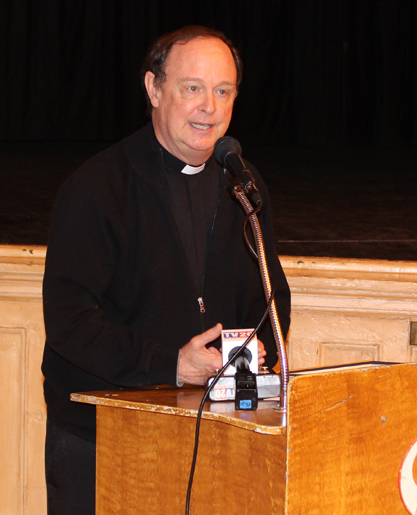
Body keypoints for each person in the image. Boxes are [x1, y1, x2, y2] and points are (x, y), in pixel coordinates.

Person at [41, 25, 291, 515]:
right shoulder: (97, 187)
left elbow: (270, 296)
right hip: (105, 439)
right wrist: (170, 365)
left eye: (223, 91)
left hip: (211, 435)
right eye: (192, 88)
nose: (210, 107)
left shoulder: (242, 182)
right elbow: (70, 323)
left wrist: (256, 350)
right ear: (154, 89)